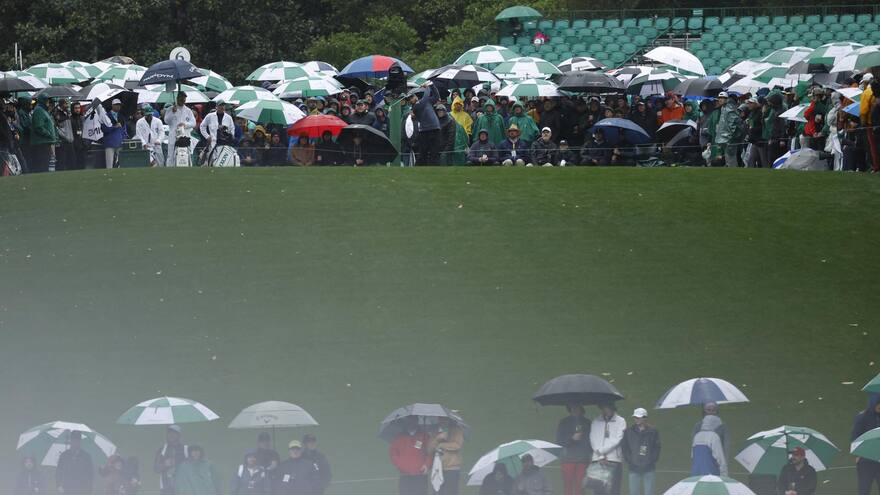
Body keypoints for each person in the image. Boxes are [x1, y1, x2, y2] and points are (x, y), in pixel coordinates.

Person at [588, 403, 625, 495]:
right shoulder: (596, 421)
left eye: (607, 408)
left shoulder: (621, 421)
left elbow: (618, 439)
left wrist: (603, 451)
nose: (605, 410)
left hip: (613, 460)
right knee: (598, 489)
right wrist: (600, 454)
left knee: (614, 489)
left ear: (612, 408)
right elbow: (592, 438)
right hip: (598, 459)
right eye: (603, 408)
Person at [621, 408, 660, 495]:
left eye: (639, 417)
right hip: (633, 467)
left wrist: (650, 461)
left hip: (649, 467)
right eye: (635, 417)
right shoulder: (628, 431)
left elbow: (656, 449)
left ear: (645, 418)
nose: (636, 419)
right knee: (634, 492)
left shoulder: (653, 431)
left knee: (649, 492)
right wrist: (631, 461)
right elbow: (625, 448)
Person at [390, 417, 430, 495]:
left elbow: (430, 452)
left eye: (413, 420)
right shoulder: (399, 437)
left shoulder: (424, 436)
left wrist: (427, 464)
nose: (411, 423)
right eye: (409, 421)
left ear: (417, 422)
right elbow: (393, 452)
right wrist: (400, 464)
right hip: (405, 474)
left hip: (420, 474)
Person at [556, 405, 591, 495]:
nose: (574, 409)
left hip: (583, 459)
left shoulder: (587, 423)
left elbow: (592, 441)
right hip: (567, 459)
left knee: (580, 486)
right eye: (572, 407)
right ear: (570, 409)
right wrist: (572, 439)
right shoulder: (563, 422)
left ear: (581, 409)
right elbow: (559, 441)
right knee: (567, 486)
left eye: (576, 407)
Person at [428, 417, 465, 495]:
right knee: (437, 492)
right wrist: (437, 439)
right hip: (437, 468)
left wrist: (442, 445)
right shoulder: (435, 432)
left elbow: (457, 445)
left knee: (451, 492)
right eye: (441, 419)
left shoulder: (456, 430)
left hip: (451, 468)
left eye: (445, 419)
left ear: (449, 419)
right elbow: (429, 450)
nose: (443, 421)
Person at [853, 394, 880, 495]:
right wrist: (857, 454)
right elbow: (855, 437)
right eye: (878, 406)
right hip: (865, 459)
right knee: (864, 489)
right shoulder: (862, 417)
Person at [407, 83, 441, 165]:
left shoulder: (426, 101)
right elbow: (425, 97)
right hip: (424, 131)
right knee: (423, 152)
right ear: (409, 102)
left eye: (412, 96)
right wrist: (427, 87)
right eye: (410, 99)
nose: (412, 99)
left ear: (415, 96)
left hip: (435, 128)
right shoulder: (415, 107)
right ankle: (419, 168)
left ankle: (434, 170)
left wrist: (433, 85)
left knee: (435, 151)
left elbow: (436, 96)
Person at [163, 93, 196, 167]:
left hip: (185, 137)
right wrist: (172, 112)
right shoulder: (170, 109)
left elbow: (193, 123)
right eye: (181, 98)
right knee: (171, 154)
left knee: (186, 153)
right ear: (177, 98)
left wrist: (185, 124)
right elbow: (166, 121)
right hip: (173, 136)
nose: (183, 100)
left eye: (184, 99)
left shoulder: (188, 111)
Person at [154, 425, 188, 495]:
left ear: (179, 435)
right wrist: (165, 465)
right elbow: (155, 469)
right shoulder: (162, 450)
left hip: (183, 487)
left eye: (174, 433)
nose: (171, 435)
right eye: (169, 433)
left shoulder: (186, 449)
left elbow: (192, 469)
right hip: (166, 488)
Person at [29, 93, 58, 173]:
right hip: (41, 143)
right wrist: (49, 134)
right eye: (47, 101)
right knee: (42, 166)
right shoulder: (38, 110)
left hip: (45, 142)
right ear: (43, 101)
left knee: (45, 165)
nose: (49, 103)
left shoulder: (43, 110)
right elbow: (38, 127)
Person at [714, 92, 743, 167]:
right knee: (728, 159)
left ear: (726, 99)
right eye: (719, 98)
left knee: (731, 159)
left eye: (722, 98)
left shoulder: (729, 109)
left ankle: (734, 174)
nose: (720, 100)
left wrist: (730, 137)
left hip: (730, 139)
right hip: (724, 138)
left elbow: (733, 125)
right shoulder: (723, 108)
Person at [101, 98, 127, 169]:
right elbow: (104, 129)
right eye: (116, 105)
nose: (118, 106)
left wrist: (124, 139)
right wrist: (114, 127)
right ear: (112, 105)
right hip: (109, 143)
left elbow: (124, 130)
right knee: (109, 165)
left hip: (119, 143)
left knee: (122, 164)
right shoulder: (106, 116)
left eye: (119, 105)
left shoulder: (121, 116)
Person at [54, 98, 75, 171]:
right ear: (62, 104)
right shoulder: (57, 112)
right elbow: (58, 122)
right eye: (66, 104)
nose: (67, 105)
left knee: (71, 158)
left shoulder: (67, 112)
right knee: (62, 159)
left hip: (69, 139)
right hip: (63, 139)